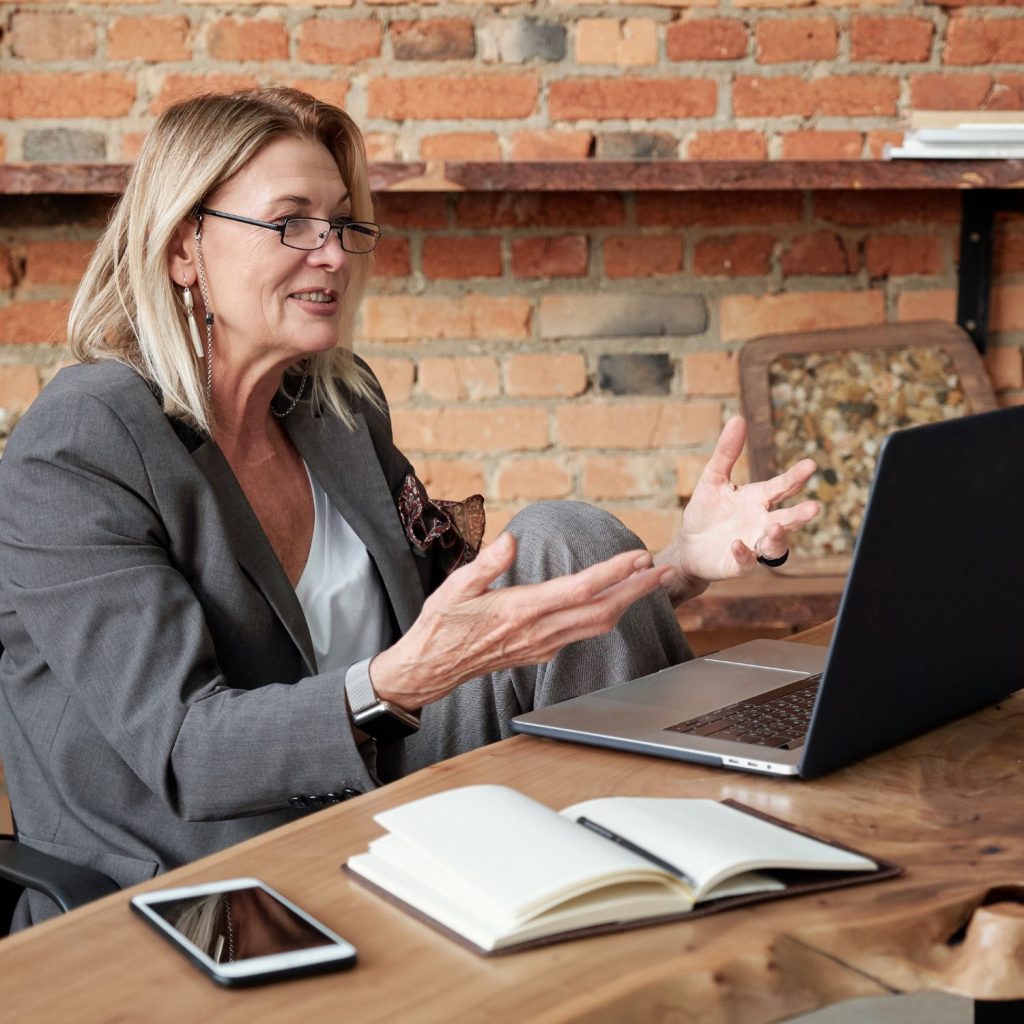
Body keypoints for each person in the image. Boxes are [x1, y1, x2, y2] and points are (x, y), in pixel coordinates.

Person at [0, 87, 817, 929]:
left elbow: (488, 628)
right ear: (183, 247)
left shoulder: (335, 410)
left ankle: (675, 884)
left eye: (343, 224)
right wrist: (398, 680)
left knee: (565, 535)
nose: (332, 255)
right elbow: (185, 753)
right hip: (205, 861)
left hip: (381, 798)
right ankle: (653, 913)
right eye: (292, 223)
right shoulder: (82, 443)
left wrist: (681, 565)